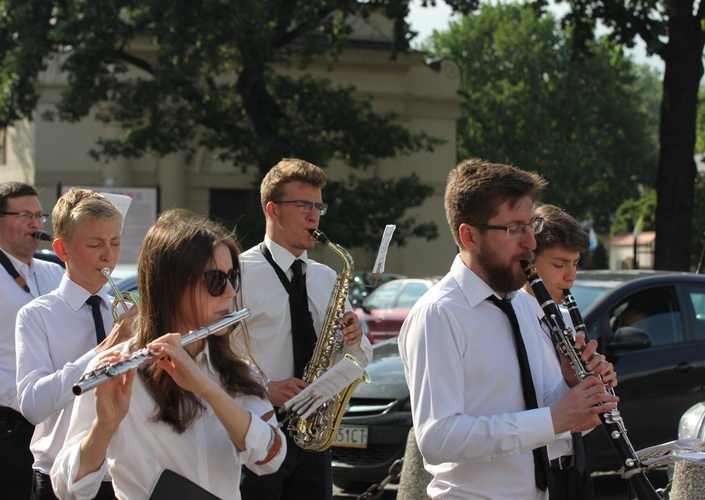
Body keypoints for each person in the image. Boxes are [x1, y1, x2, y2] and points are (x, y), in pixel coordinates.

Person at [398, 159, 619, 499]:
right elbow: (437, 439)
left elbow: (538, 411)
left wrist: (576, 392)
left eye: (532, 225)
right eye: (515, 229)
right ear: (469, 235)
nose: (531, 242)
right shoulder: (438, 314)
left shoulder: (524, 303)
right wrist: (555, 419)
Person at [51, 208, 286, 499]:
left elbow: (271, 458)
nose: (229, 291)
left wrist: (206, 388)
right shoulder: (115, 368)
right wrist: (104, 426)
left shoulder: (238, 370)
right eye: (215, 280)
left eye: (233, 276)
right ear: (171, 286)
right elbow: (67, 489)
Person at [235, 158, 372, 500]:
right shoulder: (237, 273)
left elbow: (358, 357)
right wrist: (263, 388)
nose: (314, 216)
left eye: (318, 206)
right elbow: (216, 353)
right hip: (259, 429)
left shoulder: (327, 278)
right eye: (303, 206)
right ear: (273, 210)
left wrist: (354, 339)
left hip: (314, 433)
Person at [15, 188, 137, 500]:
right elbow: (31, 404)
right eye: (95, 245)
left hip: (123, 476)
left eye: (115, 243)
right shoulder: (37, 316)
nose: (108, 255)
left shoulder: (125, 313)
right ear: (62, 250)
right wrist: (101, 352)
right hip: (59, 477)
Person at [0, 182, 65, 499]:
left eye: (39, 215)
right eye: (25, 215)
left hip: (50, 418)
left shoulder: (55, 273)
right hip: (1, 422)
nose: (36, 224)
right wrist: (28, 398)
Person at [520, 203, 617, 500]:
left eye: (575, 264)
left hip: (574, 471)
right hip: (533, 478)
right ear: (528, 263)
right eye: (559, 265)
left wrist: (587, 388)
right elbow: (525, 410)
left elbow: (566, 409)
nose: (570, 276)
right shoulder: (513, 318)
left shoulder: (563, 319)